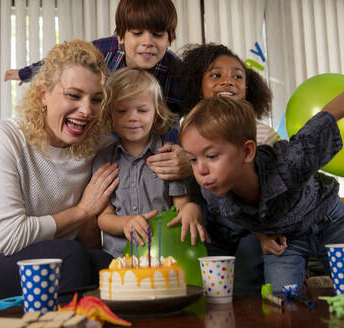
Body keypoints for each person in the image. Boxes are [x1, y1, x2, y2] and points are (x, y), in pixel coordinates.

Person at [0, 40, 120, 303]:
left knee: (108, 266)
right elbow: (11, 237)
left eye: (96, 99)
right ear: (43, 95)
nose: (86, 111)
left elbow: (140, 147)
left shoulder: (97, 147)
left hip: (56, 261)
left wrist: (183, 160)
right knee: (69, 256)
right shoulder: (3, 138)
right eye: (73, 96)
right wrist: (82, 211)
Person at [4, 0, 192, 181]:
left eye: (157, 35)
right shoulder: (104, 51)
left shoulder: (178, 73)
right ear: (120, 37)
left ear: (170, 39)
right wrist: (24, 73)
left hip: (157, 153)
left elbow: (201, 118)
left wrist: (190, 157)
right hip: (109, 142)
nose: (147, 42)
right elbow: (65, 62)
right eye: (137, 33)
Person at [179, 95, 344, 291]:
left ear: (247, 152)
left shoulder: (290, 161)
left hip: (329, 221)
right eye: (193, 160)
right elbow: (243, 217)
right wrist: (261, 236)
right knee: (281, 300)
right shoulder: (213, 193)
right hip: (285, 239)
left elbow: (326, 117)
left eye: (211, 156)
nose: (201, 170)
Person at [176, 43, 283, 292]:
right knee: (210, 285)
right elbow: (191, 183)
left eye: (237, 76)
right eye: (216, 75)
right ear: (198, 87)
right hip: (213, 229)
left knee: (248, 272)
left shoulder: (265, 135)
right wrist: (191, 205)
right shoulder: (188, 133)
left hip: (254, 230)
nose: (228, 81)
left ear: (248, 88)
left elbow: (276, 189)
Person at [93, 67, 209, 258]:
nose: (132, 117)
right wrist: (125, 223)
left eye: (143, 110)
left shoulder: (169, 155)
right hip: (120, 258)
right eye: (122, 110)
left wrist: (190, 210)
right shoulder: (103, 159)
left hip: (164, 254)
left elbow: (181, 206)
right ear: (109, 115)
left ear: (156, 114)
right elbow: (104, 218)